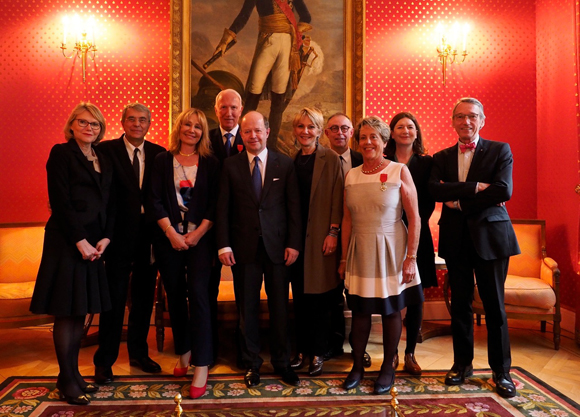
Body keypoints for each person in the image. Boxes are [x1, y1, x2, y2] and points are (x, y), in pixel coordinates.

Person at [428, 97, 520, 398]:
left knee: (494, 307)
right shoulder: (440, 156)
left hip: (491, 239)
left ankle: (501, 372)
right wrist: (475, 187)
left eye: (472, 116)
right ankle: (461, 364)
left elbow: (503, 190)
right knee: (460, 307)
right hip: (456, 240)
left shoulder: (499, 150)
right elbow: (434, 189)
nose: (466, 122)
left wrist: (457, 201)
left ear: (482, 120)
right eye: (460, 117)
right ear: (452, 121)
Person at [30, 103, 113, 405]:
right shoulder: (61, 153)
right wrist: (80, 242)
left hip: (95, 242)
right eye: (83, 122)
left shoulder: (103, 158)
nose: (89, 128)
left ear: (101, 129)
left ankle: (74, 374)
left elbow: (109, 202)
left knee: (81, 310)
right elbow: (60, 201)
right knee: (67, 311)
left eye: (95, 124)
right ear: (72, 125)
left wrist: (105, 237)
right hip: (67, 243)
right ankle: (66, 380)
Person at [216, 111, 302, 388]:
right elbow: (223, 210)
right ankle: (252, 363)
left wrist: (293, 244)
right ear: (242, 135)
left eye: (257, 130)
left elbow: (293, 209)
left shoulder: (285, 164)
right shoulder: (230, 166)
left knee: (279, 309)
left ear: (267, 131)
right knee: (247, 310)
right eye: (247, 131)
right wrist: (224, 245)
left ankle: (281, 362)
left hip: (278, 250)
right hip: (243, 250)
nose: (253, 136)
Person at [338, 116, 423, 395]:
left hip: (391, 249)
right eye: (363, 137)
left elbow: (414, 217)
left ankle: (388, 366)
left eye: (374, 137)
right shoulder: (351, 174)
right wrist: (342, 258)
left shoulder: (399, 171)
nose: (367, 142)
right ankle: (357, 367)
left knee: (390, 311)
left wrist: (411, 258)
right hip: (359, 250)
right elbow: (347, 219)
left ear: (385, 141)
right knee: (360, 311)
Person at [149, 108, 220, 399]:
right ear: (179, 127)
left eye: (198, 127)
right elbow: (153, 200)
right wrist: (172, 234)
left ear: (203, 132)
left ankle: (201, 364)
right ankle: (185, 352)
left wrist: (197, 234)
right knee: (175, 297)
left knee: (200, 297)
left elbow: (216, 204)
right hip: (169, 239)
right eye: (187, 125)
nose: (192, 130)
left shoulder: (211, 163)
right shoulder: (161, 161)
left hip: (201, 240)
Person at [93, 103, 165, 385]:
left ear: (149, 123)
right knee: (113, 299)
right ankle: (105, 361)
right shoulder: (106, 151)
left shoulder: (159, 154)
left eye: (143, 120)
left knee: (144, 299)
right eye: (132, 119)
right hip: (116, 235)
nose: (137, 124)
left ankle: (138, 353)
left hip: (149, 236)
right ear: (122, 122)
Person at [211, 0, 312, 148]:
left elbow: (306, 16)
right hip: (267, 40)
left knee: (278, 99)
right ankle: (240, 144)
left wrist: (296, 31)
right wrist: (227, 38)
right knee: (253, 93)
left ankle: (271, 148)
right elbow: (244, 15)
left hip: (287, 45)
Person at [289, 108, 343, 376]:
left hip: (323, 240)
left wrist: (333, 232)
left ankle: (318, 353)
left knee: (321, 301)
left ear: (320, 131)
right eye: (300, 126)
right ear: (294, 131)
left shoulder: (331, 159)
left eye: (311, 127)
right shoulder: (291, 161)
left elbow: (338, 198)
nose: (305, 131)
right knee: (300, 298)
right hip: (296, 243)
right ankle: (301, 350)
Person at [385, 112, 437, 375]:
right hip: (389, 232)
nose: (405, 131)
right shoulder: (383, 162)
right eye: (399, 127)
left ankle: (410, 354)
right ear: (391, 133)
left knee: (416, 296)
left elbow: (434, 196)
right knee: (390, 293)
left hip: (419, 233)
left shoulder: (428, 163)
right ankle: (391, 353)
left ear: (416, 133)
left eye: (410, 127)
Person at [323, 113, 371, 369]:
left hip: (360, 234)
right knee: (332, 292)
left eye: (344, 128)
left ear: (351, 132)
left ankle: (358, 347)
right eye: (334, 128)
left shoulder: (364, 159)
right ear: (326, 133)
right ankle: (334, 342)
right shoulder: (320, 160)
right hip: (329, 237)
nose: (339, 132)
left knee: (357, 293)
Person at [208, 89, 246, 365]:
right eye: (224, 107)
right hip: (209, 227)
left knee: (245, 291)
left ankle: (243, 348)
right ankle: (208, 348)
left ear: (241, 109)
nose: (229, 112)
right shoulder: (205, 139)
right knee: (206, 289)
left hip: (244, 228)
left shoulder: (253, 137)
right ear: (216, 110)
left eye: (234, 107)